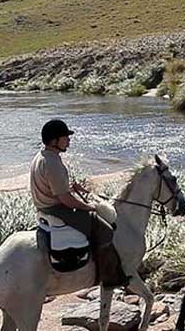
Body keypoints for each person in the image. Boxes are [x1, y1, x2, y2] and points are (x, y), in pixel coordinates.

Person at [30, 119, 129, 287]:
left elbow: (52, 186)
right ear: (54, 141)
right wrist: (90, 207)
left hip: (45, 206)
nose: (69, 140)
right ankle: (109, 277)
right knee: (104, 230)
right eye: (65, 137)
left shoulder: (42, 156)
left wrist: (71, 187)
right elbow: (66, 200)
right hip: (57, 209)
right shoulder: (53, 163)